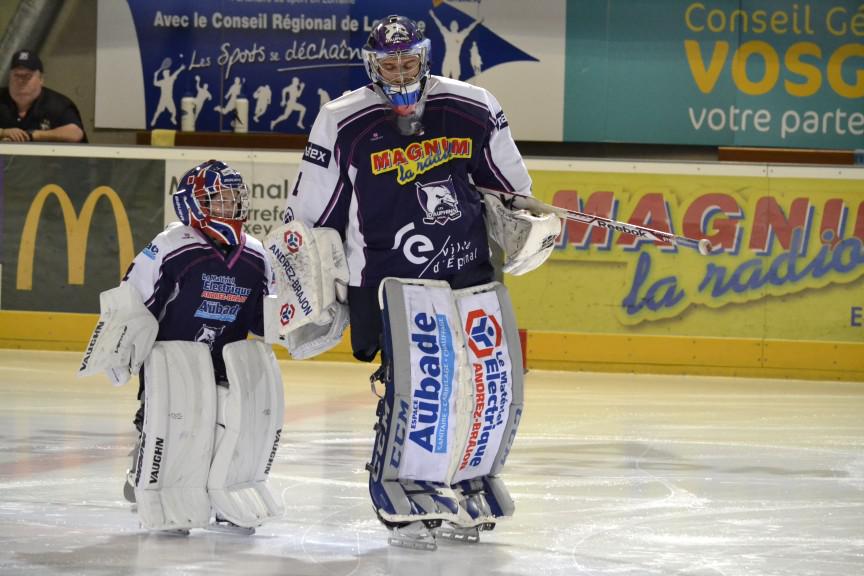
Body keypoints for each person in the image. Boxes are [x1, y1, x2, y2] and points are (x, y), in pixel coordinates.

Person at [274, 15, 560, 549]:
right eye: (390, 65)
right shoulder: (342, 119)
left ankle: (470, 477)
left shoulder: (473, 104)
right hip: (387, 278)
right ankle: (402, 482)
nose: (401, 73)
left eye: (408, 62)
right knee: (423, 384)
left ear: (424, 58)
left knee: (483, 381)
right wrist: (308, 277)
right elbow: (314, 210)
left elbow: (507, 186)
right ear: (373, 65)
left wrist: (525, 214)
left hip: (467, 268)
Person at [78, 160, 284, 535]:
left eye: (234, 197)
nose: (231, 205)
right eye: (220, 199)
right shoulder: (171, 247)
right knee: (175, 426)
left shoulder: (256, 256)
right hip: (173, 368)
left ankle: (223, 495)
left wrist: (295, 311)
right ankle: (153, 476)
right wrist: (120, 350)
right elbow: (135, 301)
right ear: (193, 204)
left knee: (230, 425)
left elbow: (262, 322)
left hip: (224, 365)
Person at [0, 49, 86, 142]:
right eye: (17, 75)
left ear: (41, 79)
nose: (21, 81)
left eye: (27, 76)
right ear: (9, 78)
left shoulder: (57, 104)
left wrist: (33, 135)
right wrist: (3, 132)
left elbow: (75, 133)